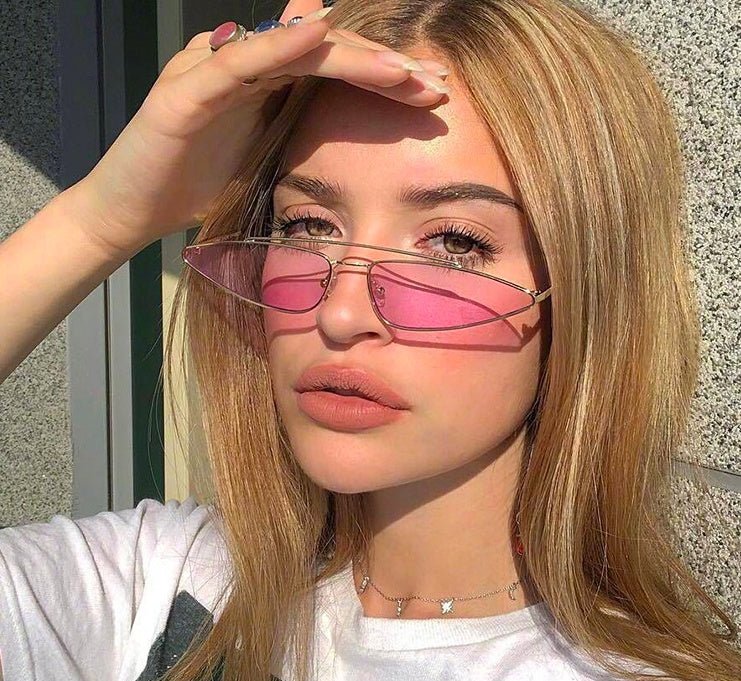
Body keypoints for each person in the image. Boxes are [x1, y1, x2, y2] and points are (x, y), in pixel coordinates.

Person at [0, 0, 738, 680]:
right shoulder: (167, 582)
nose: (341, 312)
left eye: (453, 242)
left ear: (585, 293)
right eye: (307, 226)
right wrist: (104, 219)